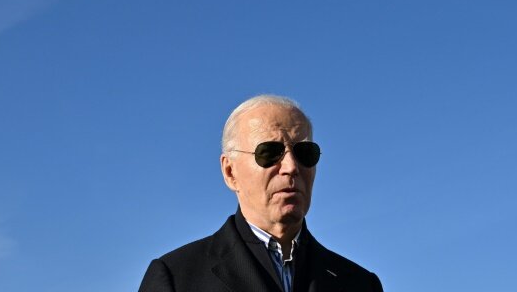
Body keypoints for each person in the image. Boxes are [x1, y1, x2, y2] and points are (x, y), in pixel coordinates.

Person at [139, 94, 383, 292]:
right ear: (230, 171)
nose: (291, 167)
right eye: (269, 152)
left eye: (305, 153)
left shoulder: (360, 284)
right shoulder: (177, 278)